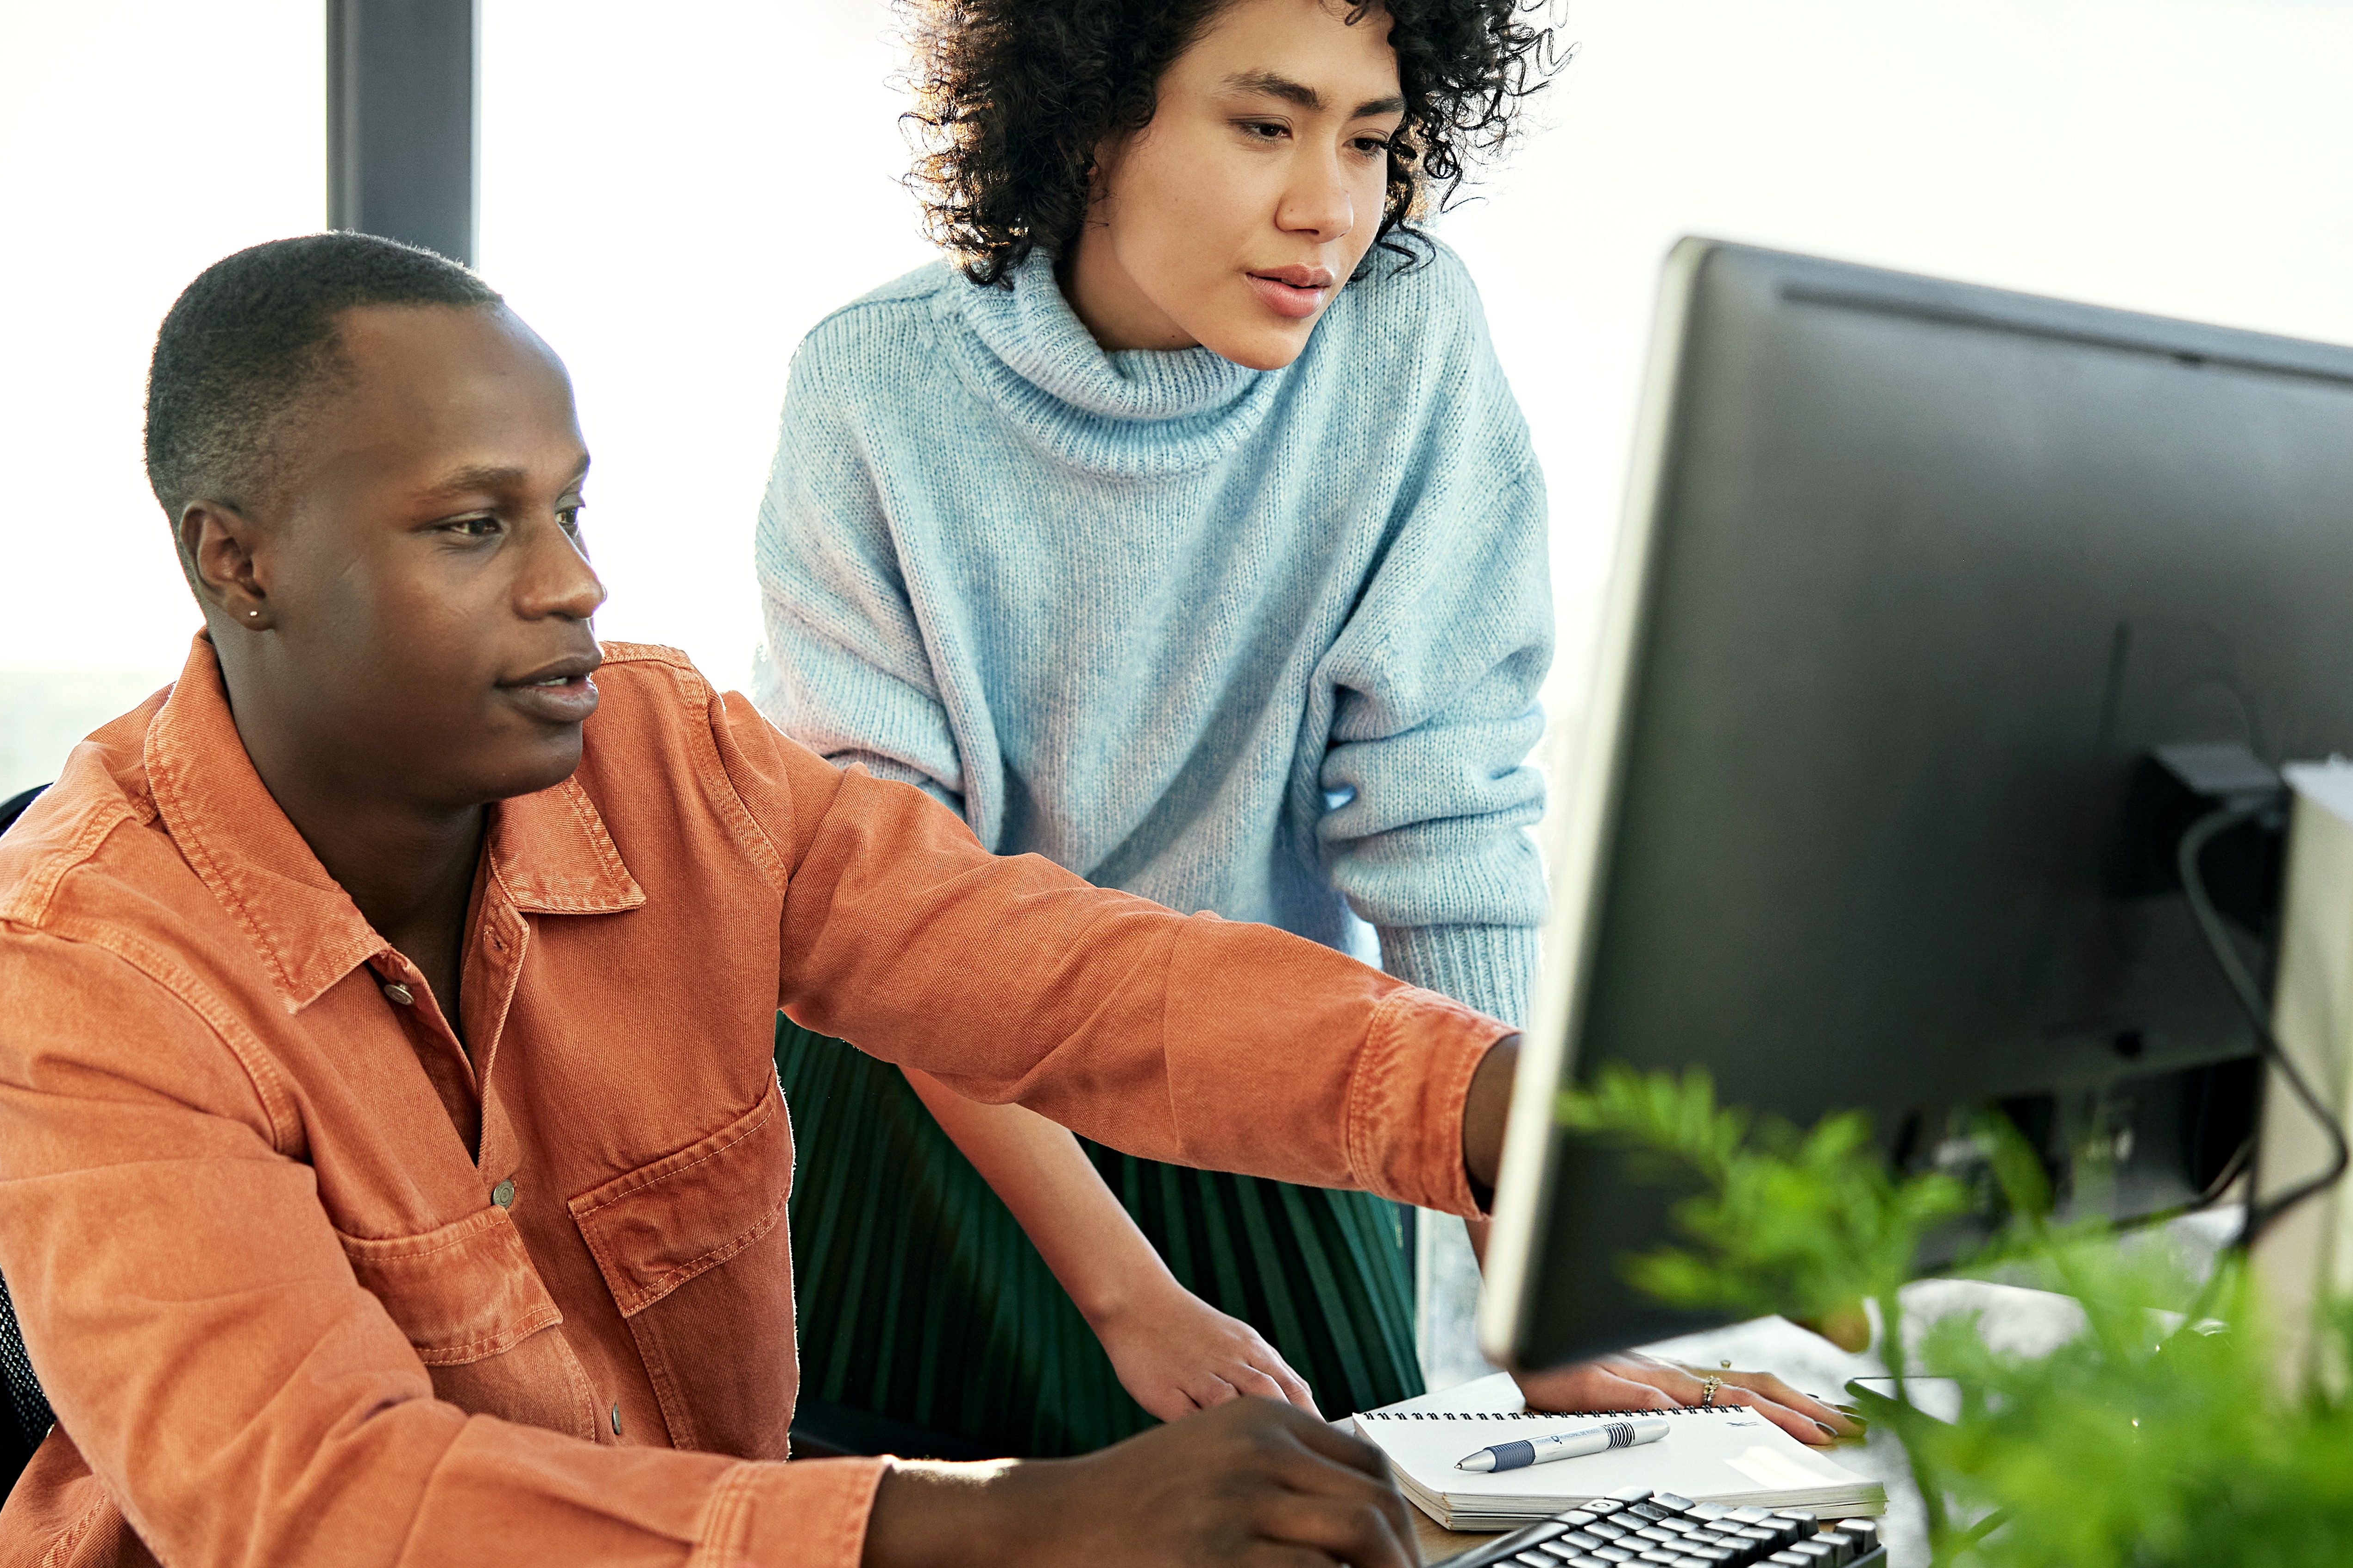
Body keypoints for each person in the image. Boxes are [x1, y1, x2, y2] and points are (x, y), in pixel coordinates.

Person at [0, 232, 1848, 1568]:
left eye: (573, 506)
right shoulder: (71, 970)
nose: (574, 581)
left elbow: (1059, 982)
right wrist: (1002, 1527)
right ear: (237, 564)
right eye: (473, 523)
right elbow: (317, 1509)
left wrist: (1499, 1106)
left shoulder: (664, 761)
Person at [759, 0, 1804, 1448]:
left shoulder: (1406, 338)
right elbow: (888, 906)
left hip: (1269, 1078)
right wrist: (1128, 1293)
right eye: (1263, 126)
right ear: (1086, 118)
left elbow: (1443, 820)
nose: (1327, 208)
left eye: (1368, 141)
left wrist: (1543, 1308)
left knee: (1348, 1501)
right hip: (929, 1111)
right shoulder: (872, 382)